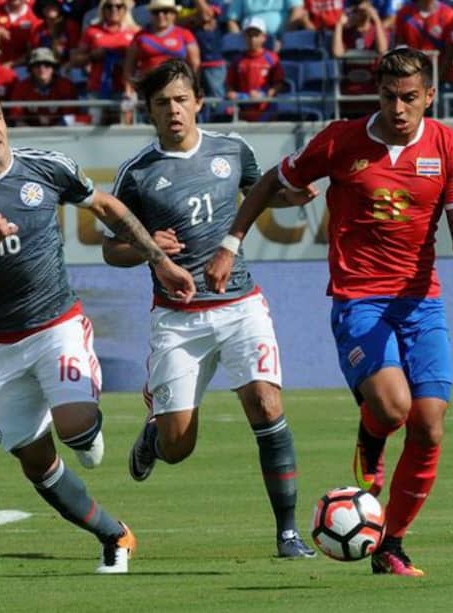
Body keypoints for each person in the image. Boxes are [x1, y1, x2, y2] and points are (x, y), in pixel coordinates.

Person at [204, 47, 453, 576]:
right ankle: (370, 434)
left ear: (429, 95)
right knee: (394, 408)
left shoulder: (448, 144)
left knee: (429, 427)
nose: (398, 108)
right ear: (376, 94)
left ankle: (391, 544)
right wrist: (230, 242)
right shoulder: (340, 140)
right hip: (359, 298)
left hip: (422, 300)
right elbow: (270, 182)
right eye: (388, 97)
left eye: (409, 98)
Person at [0, 81, 196, 573]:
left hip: (56, 325)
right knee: (35, 463)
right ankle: (114, 535)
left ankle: (81, 420)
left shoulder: (47, 167)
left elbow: (108, 208)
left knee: (76, 432)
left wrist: (157, 259)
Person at [101, 59, 317, 559]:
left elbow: (260, 196)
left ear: (199, 101)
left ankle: (287, 533)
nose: (173, 111)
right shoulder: (138, 173)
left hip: (241, 304)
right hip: (178, 319)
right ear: (148, 112)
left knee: (266, 405)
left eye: (181, 100)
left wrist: (293, 196)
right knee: (179, 447)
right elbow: (113, 250)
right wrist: (146, 246)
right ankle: (155, 435)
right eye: (162, 104)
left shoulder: (231, 148)